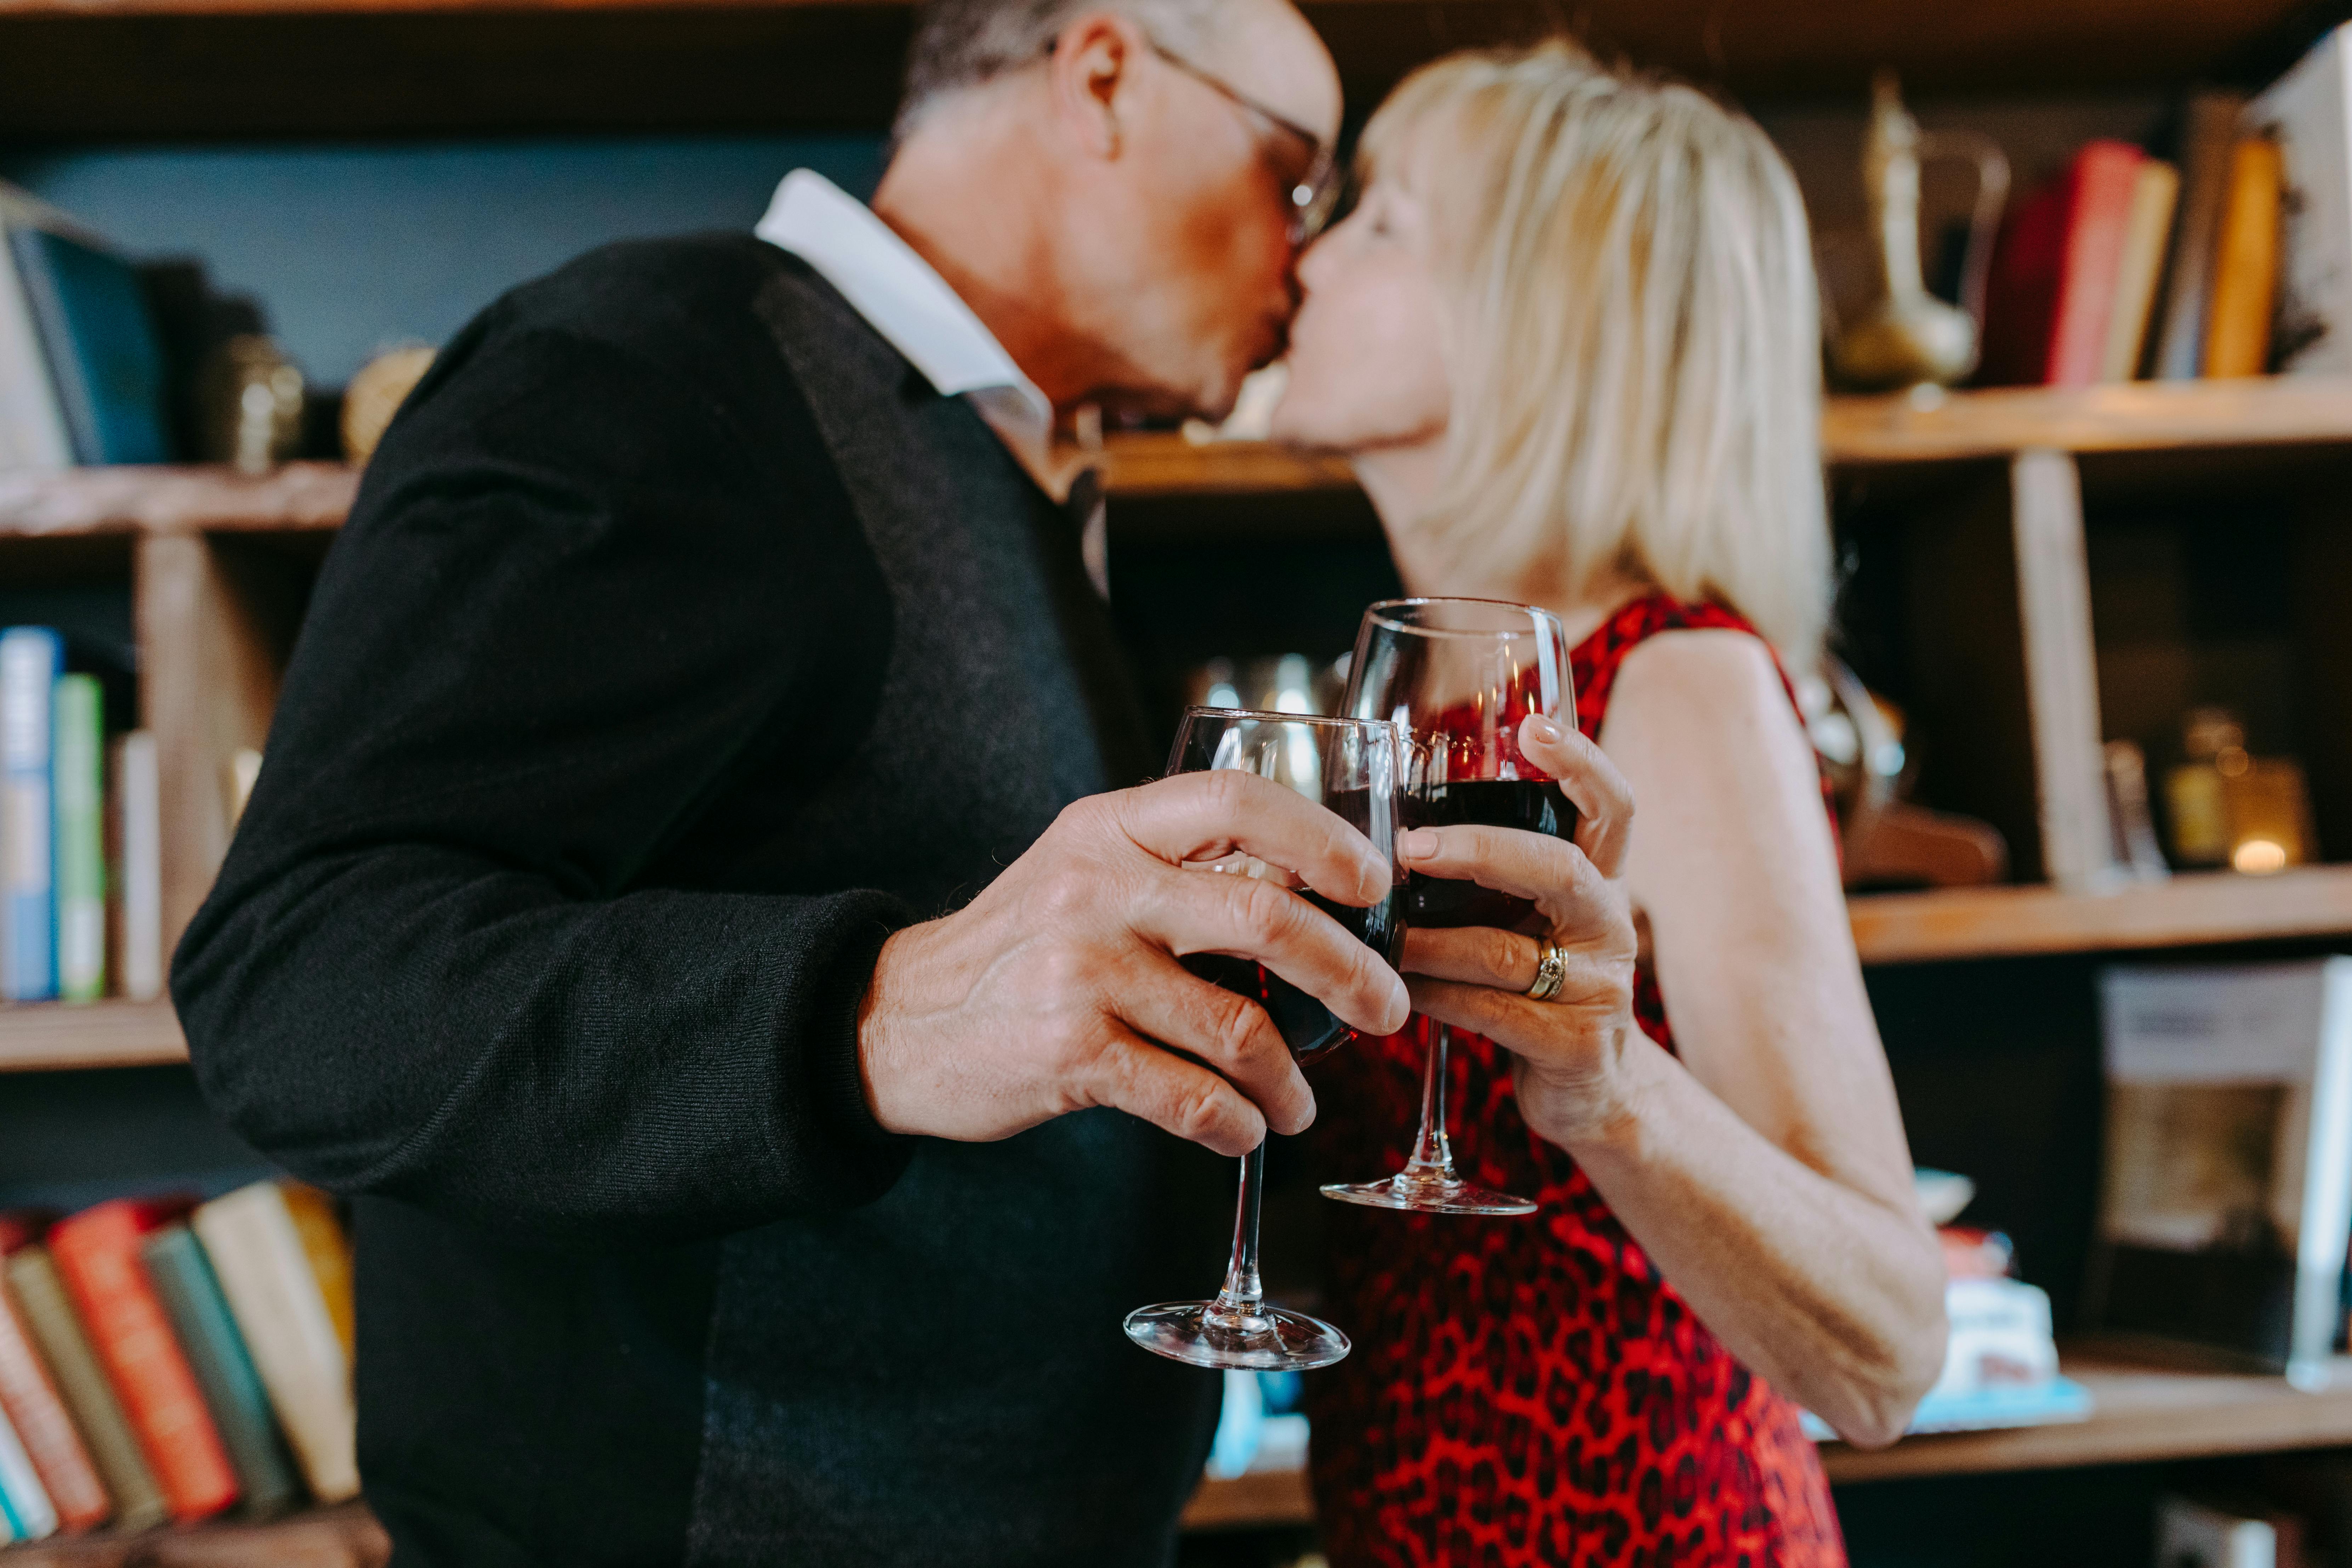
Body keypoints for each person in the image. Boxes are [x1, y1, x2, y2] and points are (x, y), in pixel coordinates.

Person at [167, 1, 1644, 1563]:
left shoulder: (980, 460)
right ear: (1101, 78)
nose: (1303, 256)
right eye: (1293, 179)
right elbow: (296, 977)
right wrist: (873, 1010)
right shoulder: (655, 367)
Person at [1266, 41, 1949, 1566]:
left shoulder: (1672, 680)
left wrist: (1609, 1088)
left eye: (1379, 220)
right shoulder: (1421, 706)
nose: (1307, 251)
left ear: (1535, 315)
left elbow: (1889, 1354)